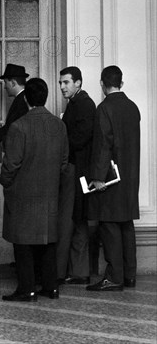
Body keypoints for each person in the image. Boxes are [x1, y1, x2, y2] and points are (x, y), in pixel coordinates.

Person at [0, 78, 68, 302]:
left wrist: (6, 183)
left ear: (26, 98)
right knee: (48, 241)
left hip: (23, 193)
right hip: (50, 192)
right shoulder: (59, 125)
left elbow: (11, 164)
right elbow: (64, 162)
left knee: (23, 243)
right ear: (46, 96)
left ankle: (27, 289)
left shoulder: (19, 126)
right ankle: (51, 287)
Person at [86, 65, 141, 291]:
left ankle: (114, 277)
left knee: (109, 225)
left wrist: (98, 177)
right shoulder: (132, 107)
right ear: (121, 83)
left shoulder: (104, 108)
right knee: (126, 224)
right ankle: (129, 276)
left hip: (111, 178)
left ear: (102, 84)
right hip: (130, 176)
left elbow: (102, 146)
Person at [57, 67, 96, 285]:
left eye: (66, 82)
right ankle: (78, 270)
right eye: (61, 83)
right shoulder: (77, 103)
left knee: (76, 219)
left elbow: (80, 138)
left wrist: (59, 147)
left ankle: (78, 271)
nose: (62, 87)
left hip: (78, 170)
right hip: (76, 169)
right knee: (77, 219)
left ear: (78, 83)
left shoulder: (83, 104)